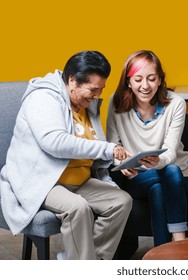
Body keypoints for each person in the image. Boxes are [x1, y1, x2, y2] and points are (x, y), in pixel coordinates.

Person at [0, 51, 133, 260]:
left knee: (120, 201)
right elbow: (55, 142)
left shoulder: (86, 104)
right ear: (72, 81)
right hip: (44, 182)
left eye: (101, 89)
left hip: (78, 179)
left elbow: (92, 143)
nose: (97, 96)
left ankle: (84, 263)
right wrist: (108, 148)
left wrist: (120, 158)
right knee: (77, 207)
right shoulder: (43, 98)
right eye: (93, 89)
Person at [106, 50, 188, 247]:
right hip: (139, 178)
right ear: (128, 82)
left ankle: (164, 252)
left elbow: (170, 152)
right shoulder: (116, 102)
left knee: (164, 181)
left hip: (180, 178)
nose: (145, 86)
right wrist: (121, 163)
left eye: (151, 78)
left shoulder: (176, 103)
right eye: (138, 79)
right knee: (161, 179)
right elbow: (112, 145)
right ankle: (180, 245)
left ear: (160, 81)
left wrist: (159, 161)